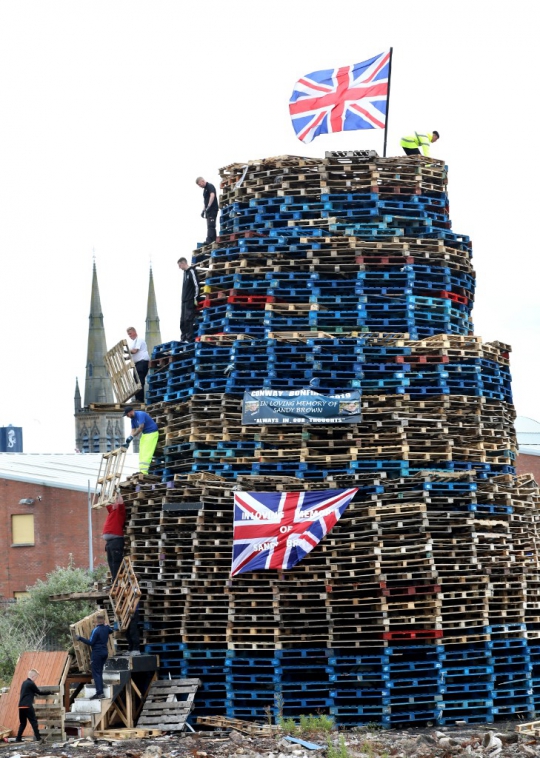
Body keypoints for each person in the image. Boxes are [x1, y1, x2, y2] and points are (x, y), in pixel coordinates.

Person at [101, 495, 141, 656]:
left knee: (116, 565)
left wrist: (118, 496)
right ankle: (132, 649)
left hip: (116, 540)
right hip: (111, 542)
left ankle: (135, 649)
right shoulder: (113, 511)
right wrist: (105, 497)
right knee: (112, 565)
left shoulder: (120, 510)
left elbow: (118, 503)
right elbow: (107, 505)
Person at [76, 614, 114, 699]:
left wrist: (80, 638)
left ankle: (99, 693)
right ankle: (100, 692)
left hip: (97, 654)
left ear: (96, 622)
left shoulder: (95, 630)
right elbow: (111, 630)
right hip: (105, 653)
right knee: (99, 672)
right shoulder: (106, 628)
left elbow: (91, 642)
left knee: (96, 673)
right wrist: (107, 625)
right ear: (103, 621)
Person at [123, 407, 159, 475]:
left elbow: (141, 427)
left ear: (131, 412)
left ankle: (144, 472)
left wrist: (132, 436)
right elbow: (133, 430)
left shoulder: (140, 414)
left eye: (127, 415)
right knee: (142, 452)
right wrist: (129, 438)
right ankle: (141, 470)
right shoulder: (132, 420)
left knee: (147, 452)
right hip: (145, 434)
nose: (127, 417)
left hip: (152, 433)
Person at [15, 669, 42, 742]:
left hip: (21, 706)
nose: (36, 679)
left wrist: (33, 693)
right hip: (27, 706)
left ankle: (18, 738)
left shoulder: (24, 683)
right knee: (34, 721)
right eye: (36, 677)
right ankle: (38, 738)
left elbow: (27, 692)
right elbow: (39, 692)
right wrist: (50, 692)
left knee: (23, 723)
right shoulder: (31, 683)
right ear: (33, 676)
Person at [177, 257, 200, 342]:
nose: (179, 267)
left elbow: (196, 285)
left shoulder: (191, 271)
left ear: (183, 263)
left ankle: (189, 338)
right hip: (184, 301)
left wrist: (195, 298)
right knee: (182, 321)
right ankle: (183, 338)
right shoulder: (185, 273)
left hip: (190, 300)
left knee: (188, 319)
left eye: (180, 265)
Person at [126, 327, 149, 403]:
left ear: (134, 332)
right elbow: (132, 354)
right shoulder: (133, 342)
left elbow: (135, 351)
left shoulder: (139, 340)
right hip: (137, 364)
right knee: (136, 381)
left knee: (140, 381)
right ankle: (137, 399)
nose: (129, 335)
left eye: (130, 333)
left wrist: (127, 351)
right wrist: (126, 358)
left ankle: (140, 400)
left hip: (142, 362)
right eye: (128, 334)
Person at [196, 176, 219, 244]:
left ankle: (209, 240)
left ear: (202, 181)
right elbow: (205, 202)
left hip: (213, 209)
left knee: (211, 225)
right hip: (208, 210)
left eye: (200, 184)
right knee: (209, 225)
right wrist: (203, 210)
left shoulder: (210, 186)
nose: (200, 186)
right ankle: (213, 239)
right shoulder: (204, 190)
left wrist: (209, 206)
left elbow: (212, 195)